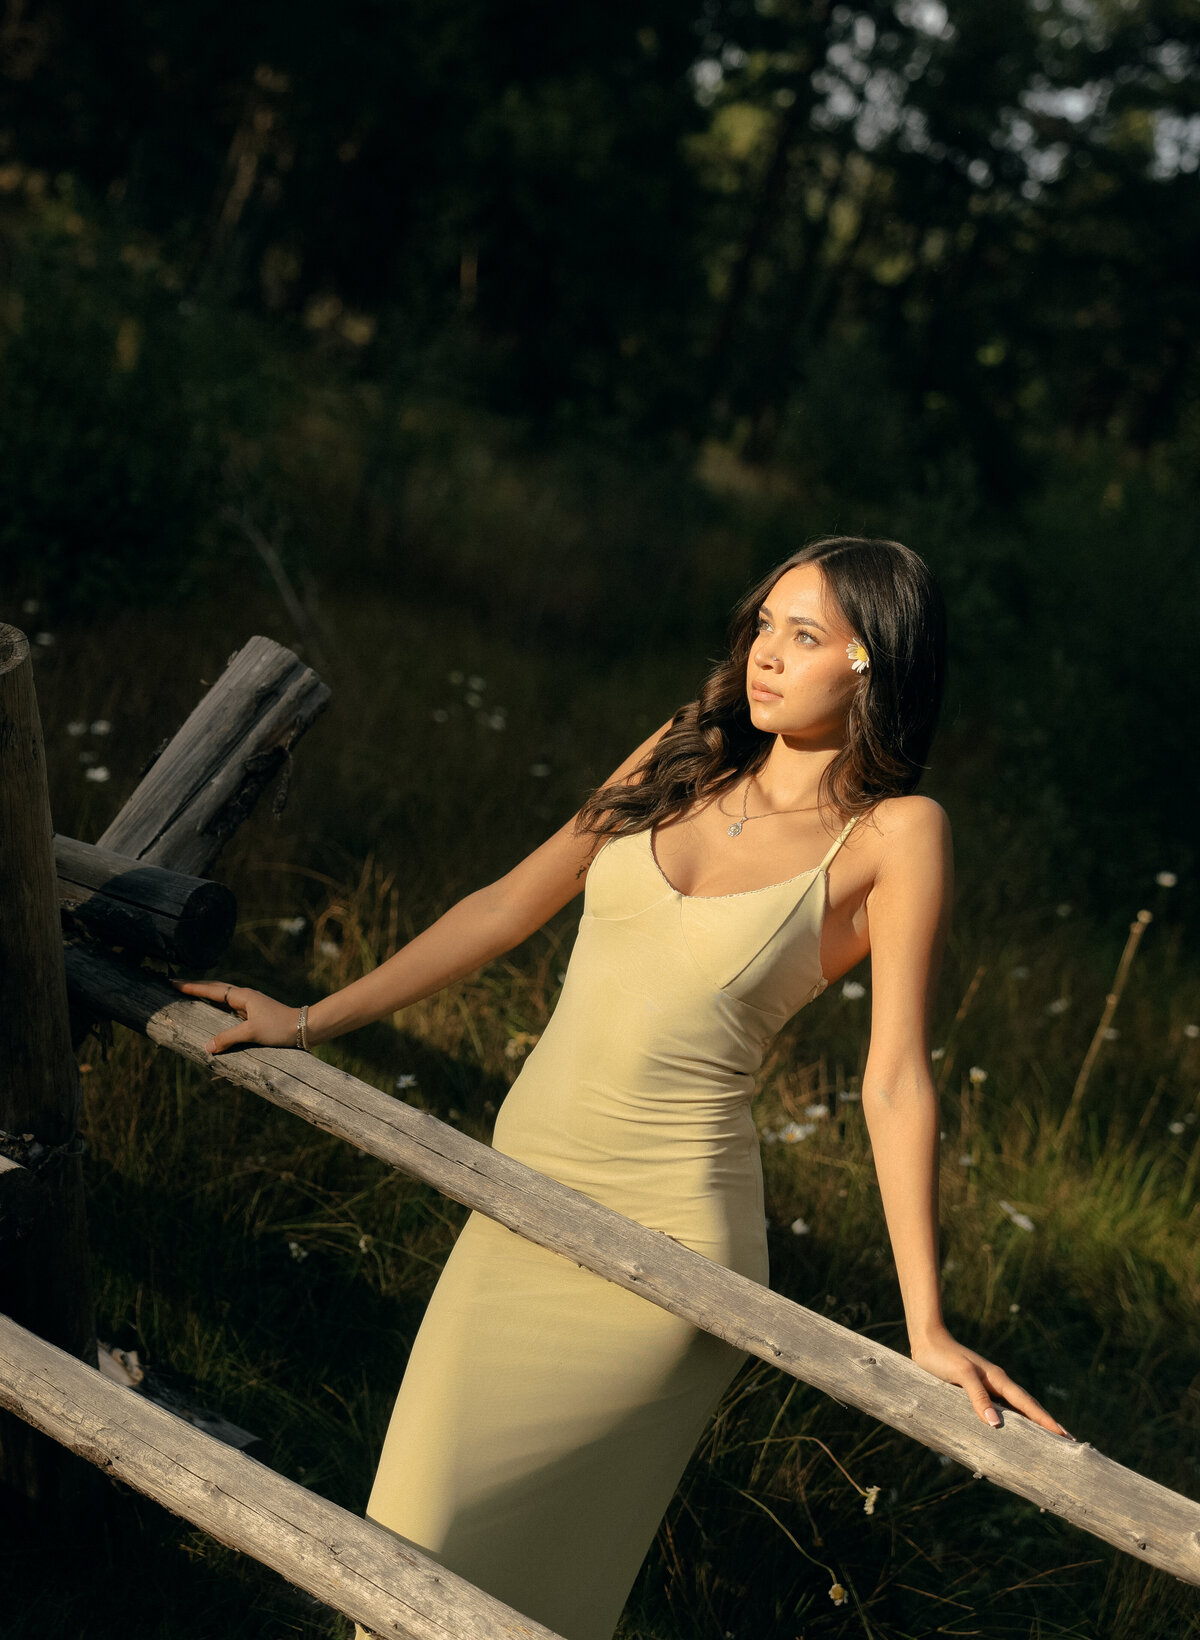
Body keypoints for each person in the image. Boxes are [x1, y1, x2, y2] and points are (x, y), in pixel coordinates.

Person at [175, 535, 1069, 1640]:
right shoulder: (681, 756)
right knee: (401, 1551)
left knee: (521, 1593)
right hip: (516, 1207)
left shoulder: (894, 833)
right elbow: (507, 906)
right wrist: (310, 1020)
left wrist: (925, 1324)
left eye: (804, 635)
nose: (765, 654)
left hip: (668, 1254)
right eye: (762, 625)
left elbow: (895, 1081)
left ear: (871, 663)